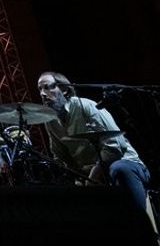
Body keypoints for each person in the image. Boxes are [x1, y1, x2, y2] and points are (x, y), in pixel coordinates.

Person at [36, 71, 151, 211]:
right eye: (40, 89)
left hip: (124, 163)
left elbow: (114, 146)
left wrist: (93, 177)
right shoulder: (50, 121)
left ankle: (141, 223)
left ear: (64, 89)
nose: (42, 93)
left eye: (47, 87)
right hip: (88, 172)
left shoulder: (87, 106)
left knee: (119, 168)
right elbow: (60, 155)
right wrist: (77, 177)